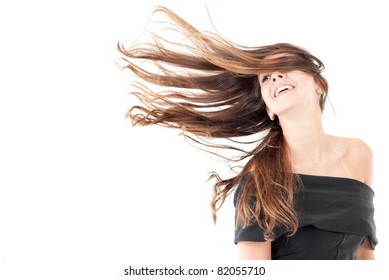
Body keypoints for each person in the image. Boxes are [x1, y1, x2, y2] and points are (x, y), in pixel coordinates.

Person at [117, 6, 377, 260]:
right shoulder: (259, 180)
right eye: (266, 79)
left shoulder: (359, 154)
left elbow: (365, 255)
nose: (274, 77)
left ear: (320, 85)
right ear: (269, 108)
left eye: (285, 66)